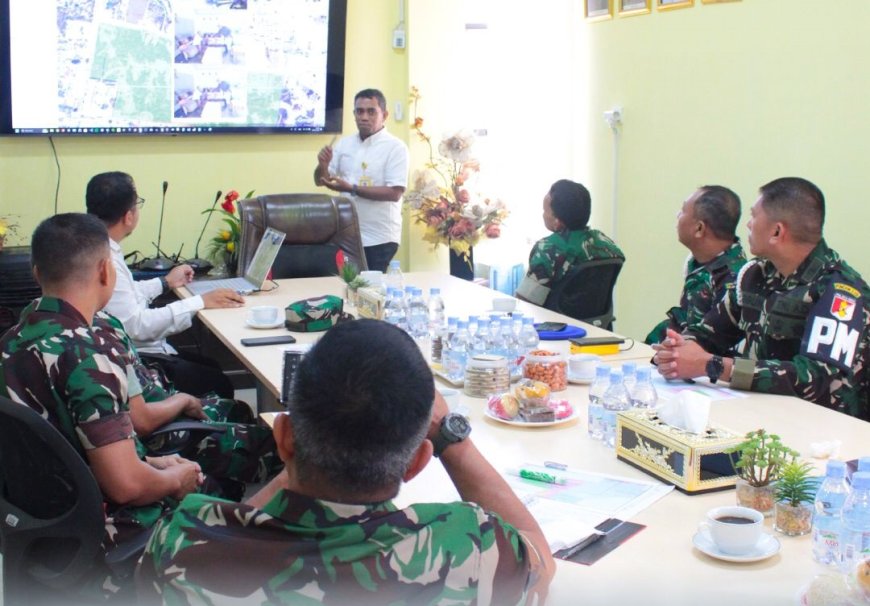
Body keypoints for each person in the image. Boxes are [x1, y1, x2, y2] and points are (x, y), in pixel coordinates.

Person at [138, 319, 555, 605]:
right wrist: (450, 437)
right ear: (416, 465)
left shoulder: (185, 538)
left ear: (283, 438)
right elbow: (540, 556)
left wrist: (298, 453)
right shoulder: (467, 547)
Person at [0, 214, 204, 592]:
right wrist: (176, 478)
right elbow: (126, 486)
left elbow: (59, 445)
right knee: (225, 513)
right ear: (105, 272)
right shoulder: (88, 357)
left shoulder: (11, 340)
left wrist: (152, 462)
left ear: (35, 273)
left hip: (43, 520)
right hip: (107, 529)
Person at [654, 177, 870, 420]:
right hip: (762, 413)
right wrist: (680, 351)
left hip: (825, 431)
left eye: (754, 216)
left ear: (777, 231)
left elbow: (815, 378)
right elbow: (711, 332)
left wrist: (711, 365)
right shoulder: (755, 274)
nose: (747, 224)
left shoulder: (840, 291)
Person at [86, 171, 244, 399]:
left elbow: (124, 296)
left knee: (210, 367)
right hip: (138, 363)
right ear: (128, 216)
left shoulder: (98, 245)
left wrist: (165, 282)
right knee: (217, 382)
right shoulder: (105, 256)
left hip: (129, 355)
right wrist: (199, 302)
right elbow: (136, 326)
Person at [314, 88, 410, 272]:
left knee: (369, 292)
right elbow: (321, 180)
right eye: (359, 111)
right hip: (346, 234)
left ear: (385, 114)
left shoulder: (396, 148)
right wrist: (323, 165)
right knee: (347, 289)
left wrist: (352, 189)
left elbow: (395, 193)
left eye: (371, 111)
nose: (364, 117)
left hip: (380, 237)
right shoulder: (344, 144)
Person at [645, 185, 747, 344]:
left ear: (699, 228)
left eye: (683, 211)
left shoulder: (734, 279)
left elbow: (714, 344)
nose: (677, 215)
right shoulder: (697, 261)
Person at [516, 179, 624, 306]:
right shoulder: (607, 244)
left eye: (545, 211)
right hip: (597, 325)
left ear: (557, 221)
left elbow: (525, 303)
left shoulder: (548, 249)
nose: (543, 215)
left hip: (557, 324)